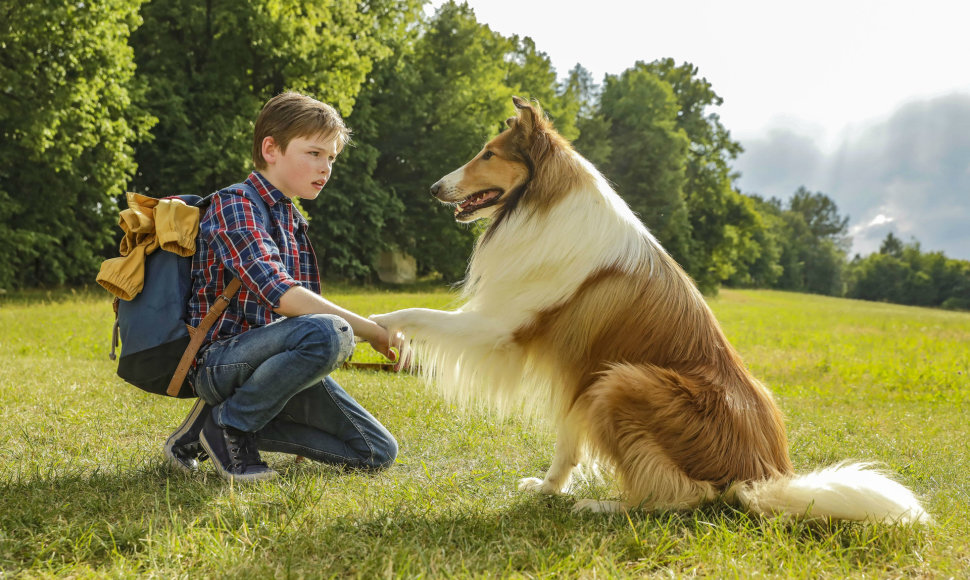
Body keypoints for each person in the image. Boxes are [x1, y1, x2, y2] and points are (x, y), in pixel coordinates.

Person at [163, 91, 404, 482]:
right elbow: (284, 296)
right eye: (313, 153)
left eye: (331, 158)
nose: (325, 168)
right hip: (218, 362)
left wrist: (355, 336)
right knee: (330, 332)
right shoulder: (235, 204)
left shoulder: (293, 220)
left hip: (268, 361)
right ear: (271, 149)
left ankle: (203, 432)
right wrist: (373, 332)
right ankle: (229, 426)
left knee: (375, 451)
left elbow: (305, 319)